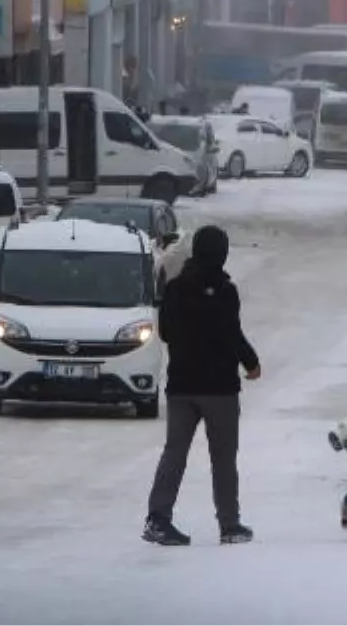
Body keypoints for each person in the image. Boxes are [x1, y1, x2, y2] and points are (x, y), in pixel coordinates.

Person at [143, 225, 261, 547]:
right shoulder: (225, 291)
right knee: (223, 458)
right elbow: (231, 334)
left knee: (174, 454)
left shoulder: (176, 288)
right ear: (222, 254)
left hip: (181, 386)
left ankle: (158, 518)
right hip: (219, 389)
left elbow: (165, 332)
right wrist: (251, 363)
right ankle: (229, 524)